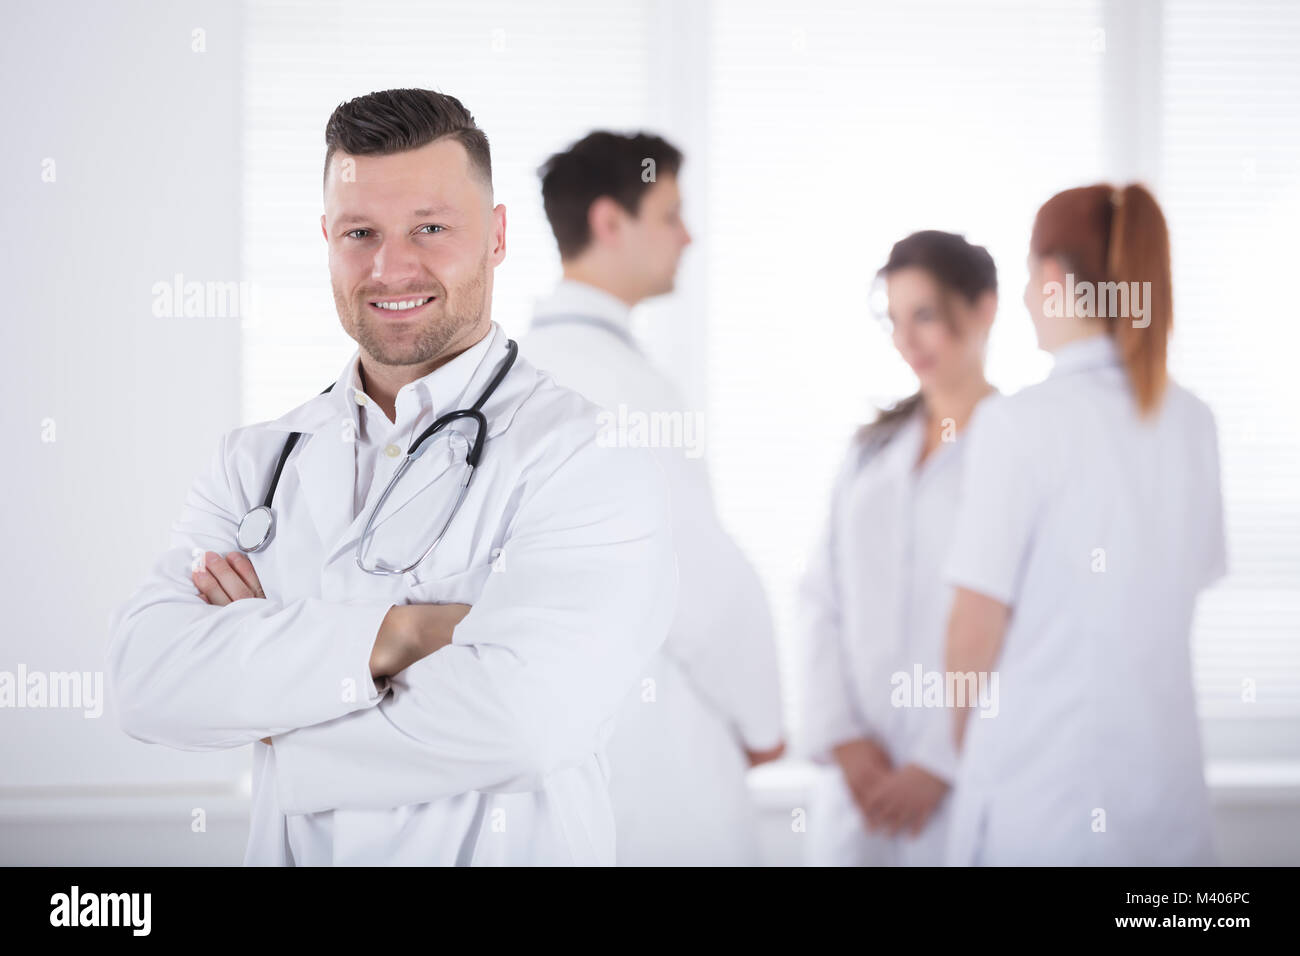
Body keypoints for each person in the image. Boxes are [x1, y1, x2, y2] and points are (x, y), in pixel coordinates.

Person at [106, 89, 677, 866]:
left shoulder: (586, 458)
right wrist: (404, 632)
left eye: (430, 228)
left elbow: (526, 721)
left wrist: (275, 713)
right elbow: (146, 680)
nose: (390, 266)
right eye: (360, 232)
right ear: (326, 239)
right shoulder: (254, 465)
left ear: (499, 235)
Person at [521, 131, 785, 865]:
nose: (688, 235)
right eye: (670, 214)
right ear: (610, 222)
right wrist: (766, 724)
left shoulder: (516, 371)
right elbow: (702, 586)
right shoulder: (618, 385)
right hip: (657, 787)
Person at [943, 183, 1227, 865]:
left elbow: (973, 627)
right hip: (1165, 804)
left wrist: (964, 741)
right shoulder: (1193, 423)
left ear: (1048, 279)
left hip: (1046, 804)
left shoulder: (1017, 425)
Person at [799, 231, 998, 865]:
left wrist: (940, 762)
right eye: (894, 320)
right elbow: (819, 598)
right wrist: (845, 742)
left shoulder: (1017, 449)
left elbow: (1023, 626)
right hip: (858, 784)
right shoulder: (870, 452)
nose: (907, 341)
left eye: (927, 316)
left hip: (966, 783)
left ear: (984, 308)